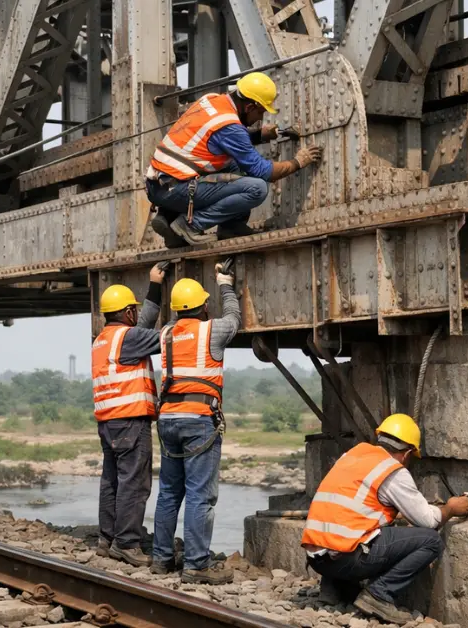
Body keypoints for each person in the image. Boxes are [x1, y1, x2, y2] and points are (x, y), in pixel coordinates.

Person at [302, 414, 468, 625]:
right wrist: (450, 508)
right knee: (431, 540)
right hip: (345, 560)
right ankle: (378, 595)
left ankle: (333, 588)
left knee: (353, 533)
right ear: (408, 453)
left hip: (318, 560)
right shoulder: (392, 471)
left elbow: (350, 510)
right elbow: (429, 521)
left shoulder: (352, 455)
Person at [145, 71, 325, 247]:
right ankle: (189, 225)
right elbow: (263, 171)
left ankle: (223, 225)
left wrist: (259, 135)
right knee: (256, 188)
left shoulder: (212, 100)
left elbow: (217, 138)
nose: (260, 118)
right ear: (250, 107)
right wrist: (298, 162)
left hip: (159, 183)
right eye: (260, 112)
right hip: (174, 188)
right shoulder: (231, 127)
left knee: (231, 164)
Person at [151, 264, 239, 584]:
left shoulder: (167, 334)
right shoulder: (210, 330)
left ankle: (161, 558)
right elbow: (234, 318)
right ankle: (196, 565)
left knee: (169, 493)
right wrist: (225, 284)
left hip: (168, 421)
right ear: (203, 306)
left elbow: (165, 323)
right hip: (198, 421)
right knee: (200, 495)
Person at [91, 265, 167, 566]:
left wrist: (155, 286)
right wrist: (188, 322)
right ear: (126, 313)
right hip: (130, 421)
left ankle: (106, 538)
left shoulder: (104, 340)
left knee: (112, 480)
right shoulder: (127, 339)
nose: (137, 314)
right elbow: (164, 338)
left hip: (109, 422)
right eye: (133, 310)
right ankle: (127, 543)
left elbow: (143, 326)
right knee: (134, 483)